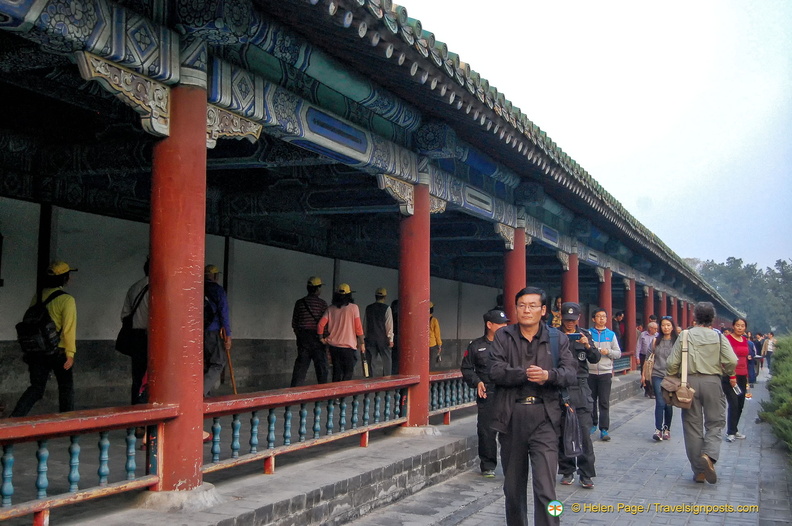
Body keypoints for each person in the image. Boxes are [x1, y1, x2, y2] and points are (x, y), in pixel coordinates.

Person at [489, 287, 576, 526]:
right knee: (513, 490)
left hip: (545, 419)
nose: (526, 310)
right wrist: (525, 374)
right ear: (515, 309)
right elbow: (494, 371)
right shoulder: (503, 336)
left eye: (532, 305)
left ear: (543, 310)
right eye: (521, 305)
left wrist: (548, 375)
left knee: (547, 489)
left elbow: (570, 373)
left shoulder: (558, 338)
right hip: (511, 417)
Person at [666, 302, 737, 484]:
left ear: (694, 317)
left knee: (692, 426)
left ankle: (699, 471)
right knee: (715, 422)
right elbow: (731, 360)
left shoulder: (685, 335)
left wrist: (673, 377)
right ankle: (710, 455)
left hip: (688, 383)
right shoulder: (719, 336)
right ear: (712, 318)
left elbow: (672, 363)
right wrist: (728, 372)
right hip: (713, 381)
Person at [11, 261, 78, 417]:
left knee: (36, 388)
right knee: (66, 387)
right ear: (64, 278)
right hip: (59, 351)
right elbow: (69, 328)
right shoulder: (67, 300)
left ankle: (15, 417)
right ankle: (67, 422)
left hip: (37, 350)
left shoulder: (38, 296)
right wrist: (70, 353)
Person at [460, 308, 509, 478]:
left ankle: (511, 465)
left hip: (507, 392)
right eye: (500, 323)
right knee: (486, 431)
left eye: (505, 323)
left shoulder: (510, 345)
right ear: (489, 325)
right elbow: (466, 368)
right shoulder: (476, 346)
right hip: (487, 392)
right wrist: (477, 382)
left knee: (509, 430)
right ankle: (488, 465)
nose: (504, 326)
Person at [557, 302, 600, 489]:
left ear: (579, 318)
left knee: (583, 433)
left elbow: (595, 358)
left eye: (573, 320)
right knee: (562, 432)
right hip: (561, 386)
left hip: (581, 386)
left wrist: (588, 345)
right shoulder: (554, 335)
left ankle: (586, 474)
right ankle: (567, 470)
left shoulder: (585, 334)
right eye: (567, 320)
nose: (570, 324)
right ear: (561, 317)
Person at [318, 283, 364, 382]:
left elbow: (321, 324)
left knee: (336, 372)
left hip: (333, 346)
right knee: (348, 372)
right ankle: (343, 395)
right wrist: (362, 342)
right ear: (349, 295)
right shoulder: (354, 308)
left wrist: (321, 338)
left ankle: (335, 396)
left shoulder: (330, 308)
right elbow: (358, 327)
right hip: (348, 347)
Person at [587, 308, 621, 441]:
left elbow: (618, 353)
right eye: (598, 316)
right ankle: (592, 424)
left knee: (604, 401)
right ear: (593, 319)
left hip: (605, 372)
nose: (601, 319)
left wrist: (609, 352)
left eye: (604, 316)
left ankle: (604, 429)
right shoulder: (588, 334)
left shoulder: (611, 335)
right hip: (590, 372)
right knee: (591, 401)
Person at [290, 276, 329, 386]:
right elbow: (325, 324)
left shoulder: (299, 303)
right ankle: (323, 390)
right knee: (321, 367)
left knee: (301, 366)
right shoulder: (322, 304)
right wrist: (324, 338)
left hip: (303, 337)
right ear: (317, 289)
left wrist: (299, 335)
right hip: (317, 337)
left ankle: (295, 391)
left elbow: (294, 322)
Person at [120, 258, 150, 404]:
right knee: (153, 376)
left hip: (136, 336)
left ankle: (136, 410)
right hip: (153, 337)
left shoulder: (134, 287)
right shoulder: (161, 287)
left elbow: (125, 315)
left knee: (137, 376)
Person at [644, 316, 677, 441]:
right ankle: (658, 429)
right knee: (660, 401)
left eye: (668, 325)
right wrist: (644, 375)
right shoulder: (655, 341)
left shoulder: (677, 342)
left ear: (672, 326)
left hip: (672, 376)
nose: (666, 327)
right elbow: (648, 357)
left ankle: (666, 428)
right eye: (663, 325)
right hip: (657, 374)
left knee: (668, 403)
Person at [203, 264, 232, 396]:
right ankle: (201, 392)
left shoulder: (198, 288)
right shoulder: (218, 290)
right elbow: (224, 313)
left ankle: (206, 392)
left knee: (204, 363)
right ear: (214, 276)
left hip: (198, 332)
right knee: (218, 363)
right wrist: (228, 335)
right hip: (214, 331)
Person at [723, 317, 750, 442]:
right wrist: (732, 376)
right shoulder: (728, 340)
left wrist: (747, 377)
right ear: (733, 326)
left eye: (742, 326)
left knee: (740, 404)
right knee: (733, 403)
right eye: (738, 325)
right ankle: (730, 432)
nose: (740, 328)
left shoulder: (744, 339)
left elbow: (745, 359)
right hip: (730, 376)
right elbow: (726, 359)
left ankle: (735, 429)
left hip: (742, 376)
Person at [364, 288, 394, 377]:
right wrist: (390, 339)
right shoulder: (387, 308)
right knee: (387, 361)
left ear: (375, 296)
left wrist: (365, 336)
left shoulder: (368, 308)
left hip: (370, 338)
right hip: (383, 339)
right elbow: (389, 325)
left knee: (371, 362)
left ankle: (371, 380)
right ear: (385, 297)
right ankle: (387, 380)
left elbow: (365, 324)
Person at [636, 322, 658, 398]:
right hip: (644, 356)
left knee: (652, 373)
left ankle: (652, 391)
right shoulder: (642, 335)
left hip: (653, 356)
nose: (656, 330)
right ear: (650, 328)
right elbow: (638, 346)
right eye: (654, 328)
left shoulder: (657, 336)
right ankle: (647, 390)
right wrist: (637, 357)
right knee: (644, 373)